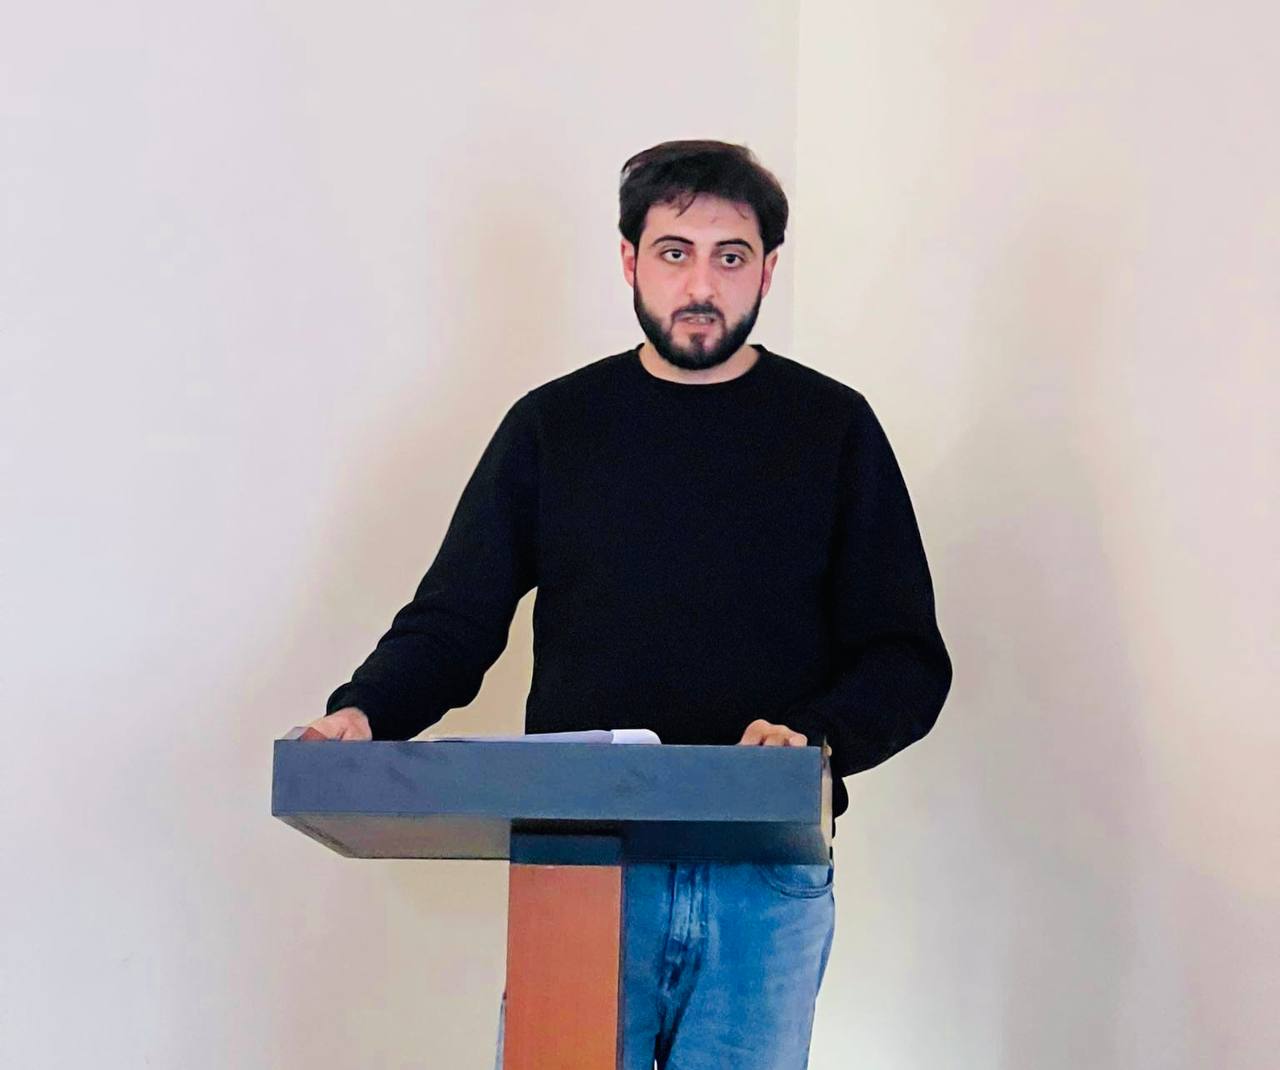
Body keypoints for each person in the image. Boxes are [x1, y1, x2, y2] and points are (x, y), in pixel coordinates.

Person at [308, 139, 952, 1069]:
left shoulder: (834, 428)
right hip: (583, 861)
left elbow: (905, 657)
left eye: (731, 256)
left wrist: (816, 735)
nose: (701, 285)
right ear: (629, 260)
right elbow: (454, 619)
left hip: (763, 881)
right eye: (674, 252)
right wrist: (365, 711)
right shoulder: (553, 426)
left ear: (769, 269)